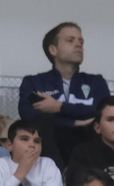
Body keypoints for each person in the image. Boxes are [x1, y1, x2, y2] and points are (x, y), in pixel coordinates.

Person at [16, 22, 108, 166]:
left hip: (88, 149)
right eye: (70, 40)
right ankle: (57, 181)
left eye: (81, 41)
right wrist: (75, 122)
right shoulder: (34, 82)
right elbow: (29, 116)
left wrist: (60, 107)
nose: (79, 45)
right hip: (49, 152)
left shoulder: (96, 82)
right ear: (53, 49)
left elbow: (103, 113)